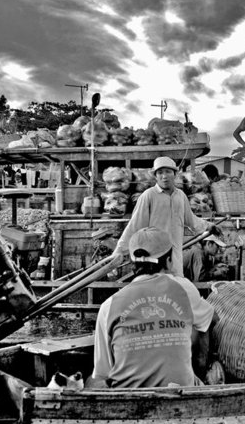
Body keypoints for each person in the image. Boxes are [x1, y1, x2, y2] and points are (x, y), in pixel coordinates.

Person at [92, 227, 215, 388]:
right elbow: (212, 319)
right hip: (180, 394)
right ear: (170, 261)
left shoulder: (109, 306)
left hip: (129, 399)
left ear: (132, 264)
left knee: (93, 381)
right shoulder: (184, 289)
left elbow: (103, 373)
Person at [113, 156, 217, 276]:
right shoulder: (148, 196)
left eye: (168, 172)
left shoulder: (181, 196)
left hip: (175, 258)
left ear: (175, 174)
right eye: (160, 173)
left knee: (174, 289)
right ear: (155, 176)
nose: (164, 176)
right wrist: (118, 251)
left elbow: (191, 220)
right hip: (154, 260)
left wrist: (209, 226)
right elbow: (134, 226)